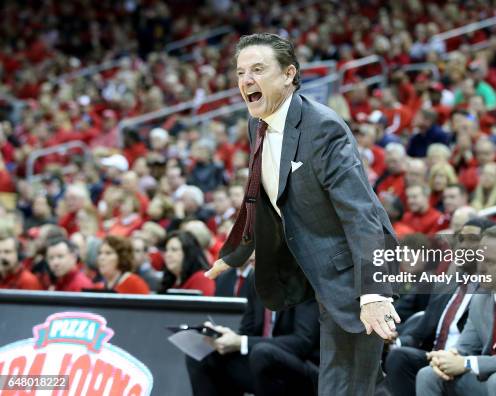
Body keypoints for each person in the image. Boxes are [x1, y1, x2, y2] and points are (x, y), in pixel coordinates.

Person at [206, 33, 400, 396]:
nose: (246, 80)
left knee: (349, 386)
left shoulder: (323, 128)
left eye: (258, 69)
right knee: (352, 385)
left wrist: (374, 293)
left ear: (288, 74)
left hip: (356, 272)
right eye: (240, 72)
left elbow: (362, 215)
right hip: (314, 271)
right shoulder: (257, 124)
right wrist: (235, 254)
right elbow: (259, 198)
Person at [415, 225, 496, 395]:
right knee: (428, 374)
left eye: (490, 262)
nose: (481, 268)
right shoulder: (480, 297)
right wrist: (445, 359)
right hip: (487, 377)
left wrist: (466, 363)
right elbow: (465, 346)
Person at [384, 218, 496, 396]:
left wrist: (458, 358)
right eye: (460, 239)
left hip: (465, 360)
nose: (463, 246)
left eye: (472, 239)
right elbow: (419, 332)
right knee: (399, 356)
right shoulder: (445, 286)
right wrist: (396, 341)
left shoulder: (494, 289)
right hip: (434, 356)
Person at [185, 281, 320, 396]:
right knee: (202, 351)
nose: (251, 257)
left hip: (304, 367)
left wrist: (241, 341)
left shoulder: (301, 280)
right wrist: (224, 337)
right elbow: (246, 332)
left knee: (263, 353)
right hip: (261, 362)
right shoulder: (255, 279)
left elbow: (302, 341)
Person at [160, 231, 215, 296]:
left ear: (188, 253)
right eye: (166, 250)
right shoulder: (171, 280)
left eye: (174, 250)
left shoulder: (202, 278)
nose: (168, 254)